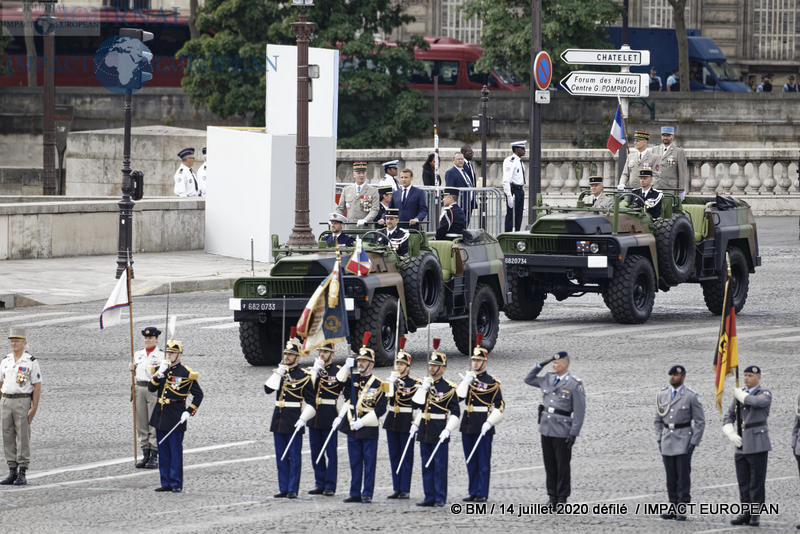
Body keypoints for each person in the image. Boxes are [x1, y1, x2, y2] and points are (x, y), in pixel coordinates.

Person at [524, 351, 586, 507]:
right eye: (553, 363)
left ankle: (562, 498)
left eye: (557, 363)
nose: (554, 364)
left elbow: (579, 411)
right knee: (549, 464)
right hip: (546, 427)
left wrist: (573, 433)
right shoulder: (548, 378)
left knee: (562, 465)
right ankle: (552, 496)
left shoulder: (574, 383)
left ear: (565, 364)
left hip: (562, 429)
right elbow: (528, 379)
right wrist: (540, 365)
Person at [336, 333, 388, 504]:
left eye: (364, 361)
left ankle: (367, 493)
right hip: (352, 425)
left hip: (368, 426)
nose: (360, 363)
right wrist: (346, 365)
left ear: (371, 364)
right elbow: (338, 383)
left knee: (369, 463)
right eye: (359, 361)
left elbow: (381, 409)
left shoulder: (379, 384)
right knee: (355, 462)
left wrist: (363, 422)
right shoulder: (352, 378)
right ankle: (354, 492)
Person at [264, 329, 315, 499]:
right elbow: (267, 390)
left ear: (297, 357)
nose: (287, 357)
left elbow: (312, 401)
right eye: (286, 354)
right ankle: (283, 487)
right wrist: (278, 373)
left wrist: (303, 418)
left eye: (290, 355)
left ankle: (293, 488)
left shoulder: (304, 376)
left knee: (293, 457)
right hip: (278, 417)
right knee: (280, 456)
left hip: (294, 418)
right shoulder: (280, 373)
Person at [411, 338, 461, 507]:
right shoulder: (425, 385)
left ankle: (440, 497)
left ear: (442, 368)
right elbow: (415, 405)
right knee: (426, 464)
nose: (431, 368)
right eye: (430, 365)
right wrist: (423, 388)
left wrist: (448, 429)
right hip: (425, 428)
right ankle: (429, 496)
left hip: (440, 429)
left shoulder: (449, 388)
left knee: (440, 467)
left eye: (435, 366)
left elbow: (456, 412)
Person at [148, 339, 203, 493]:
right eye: (168, 352)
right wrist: (159, 374)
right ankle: (165, 481)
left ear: (179, 355)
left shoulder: (186, 373)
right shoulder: (161, 369)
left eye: (172, 353)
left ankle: (176, 482)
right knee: (163, 450)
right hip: (161, 414)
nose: (169, 355)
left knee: (175, 451)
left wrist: (189, 411)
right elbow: (151, 388)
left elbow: (199, 395)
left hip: (176, 416)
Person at [457, 334, 505, 503]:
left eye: (478, 361)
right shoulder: (468, 379)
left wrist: (490, 421)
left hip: (483, 422)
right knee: (470, 460)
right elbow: (457, 399)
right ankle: (473, 491)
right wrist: (465, 383)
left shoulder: (492, 383)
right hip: (468, 423)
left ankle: (482, 492)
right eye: (473, 360)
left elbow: (500, 405)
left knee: (483, 462)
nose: (475, 363)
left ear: (485, 362)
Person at [655, 365, 705, 521]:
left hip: (683, 439)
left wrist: (693, 442)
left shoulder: (690, 396)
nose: (672, 378)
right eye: (671, 375)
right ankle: (673, 505)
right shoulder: (663, 394)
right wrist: (659, 438)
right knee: (671, 477)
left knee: (683, 476)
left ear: (683, 377)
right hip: (667, 440)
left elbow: (700, 421)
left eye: (676, 376)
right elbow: (657, 420)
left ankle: (682, 507)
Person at [723, 365, 772, 527]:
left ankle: (756, 515)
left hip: (757, 442)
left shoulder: (764, 394)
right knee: (743, 481)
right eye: (745, 375)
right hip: (741, 442)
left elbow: (757, 403)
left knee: (756, 481)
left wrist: (741, 395)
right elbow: (729, 415)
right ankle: (746, 512)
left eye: (750, 375)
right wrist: (729, 431)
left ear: (758, 378)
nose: (746, 378)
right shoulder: (740, 394)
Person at [0, 328, 42, 486]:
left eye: (17, 341)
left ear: (24, 343)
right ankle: (12, 469)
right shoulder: (6, 360)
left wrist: (34, 408)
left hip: (22, 400)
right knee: (8, 436)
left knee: (23, 436)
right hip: (6, 401)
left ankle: (23, 470)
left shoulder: (30, 361)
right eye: (12, 340)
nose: (14, 343)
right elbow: (0, 381)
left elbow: (37, 386)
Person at [383, 336, 420, 500]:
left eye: (402, 364)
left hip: (406, 421)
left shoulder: (415, 383)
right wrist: (390, 384)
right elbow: (383, 399)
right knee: (394, 455)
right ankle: (396, 487)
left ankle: (405, 488)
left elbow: (419, 404)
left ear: (408, 367)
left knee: (406, 456)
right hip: (392, 420)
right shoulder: (391, 381)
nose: (399, 366)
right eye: (397, 363)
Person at [306, 341, 344, 496]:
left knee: (330, 452)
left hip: (329, 414)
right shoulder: (313, 371)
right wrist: (314, 371)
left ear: (332, 355)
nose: (322, 354)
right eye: (321, 351)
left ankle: (330, 485)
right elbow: (308, 390)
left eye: (325, 352)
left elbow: (345, 389)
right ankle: (319, 482)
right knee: (316, 451)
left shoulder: (337, 371)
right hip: (314, 415)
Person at [130, 326, 164, 469]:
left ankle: (154, 455)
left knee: (153, 422)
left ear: (156, 339)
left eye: (151, 338)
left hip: (153, 389)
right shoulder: (138, 354)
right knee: (141, 422)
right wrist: (131, 368)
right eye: (146, 338)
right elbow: (136, 372)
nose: (148, 340)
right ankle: (145, 453)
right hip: (139, 388)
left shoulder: (162, 356)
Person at [336, 161, 380, 226]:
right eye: (358, 173)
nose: (361, 175)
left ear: (366, 174)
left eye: (363, 173)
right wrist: (335, 219)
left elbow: (375, 210)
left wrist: (365, 220)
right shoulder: (346, 190)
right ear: (354, 174)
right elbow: (341, 209)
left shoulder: (373, 191)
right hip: (350, 228)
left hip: (365, 228)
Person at [654, 126, 689, 199]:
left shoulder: (678, 152)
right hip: (656, 187)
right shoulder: (655, 150)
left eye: (668, 135)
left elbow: (682, 173)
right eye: (663, 135)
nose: (665, 138)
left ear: (672, 137)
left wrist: (681, 190)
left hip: (670, 189)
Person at [502, 140, 527, 232]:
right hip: (513, 190)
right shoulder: (510, 161)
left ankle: (517, 232)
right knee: (511, 216)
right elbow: (506, 180)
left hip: (520, 190)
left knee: (519, 215)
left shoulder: (519, 161)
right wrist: (508, 195)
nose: (525, 150)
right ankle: (508, 234)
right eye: (523, 148)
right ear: (516, 149)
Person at [445, 151, 475, 227]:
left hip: (469, 203)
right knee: (459, 226)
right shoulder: (450, 172)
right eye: (458, 159)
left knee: (465, 225)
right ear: (453, 160)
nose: (460, 161)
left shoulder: (465, 171)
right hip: (460, 204)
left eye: (462, 159)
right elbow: (450, 189)